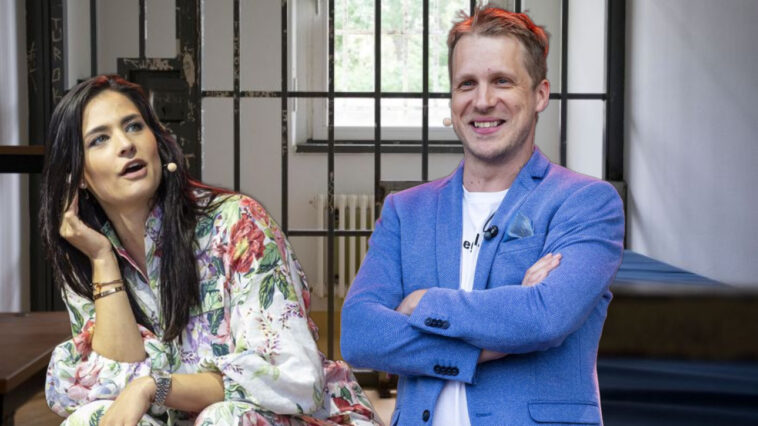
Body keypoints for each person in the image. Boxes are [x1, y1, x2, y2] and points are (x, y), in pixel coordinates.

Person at [341, 5, 624, 425]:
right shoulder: (405, 211)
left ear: (540, 94)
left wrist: (422, 302)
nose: (483, 100)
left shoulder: (586, 202)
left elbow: (545, 317)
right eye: (467, 84)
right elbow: (360, 334)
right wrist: (501, 334)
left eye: (502, 81)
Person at [41, 75, 379, 425]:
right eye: (99, 139)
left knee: (224, 418)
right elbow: (110, 385)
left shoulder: (237, 222)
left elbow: (294, 381)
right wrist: (102, 259)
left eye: (134, 126)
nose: (126, 144)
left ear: (157, 141)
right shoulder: (87, 253)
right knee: (92, 417)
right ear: (78, 175)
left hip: (296, 417)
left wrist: (154, 387)